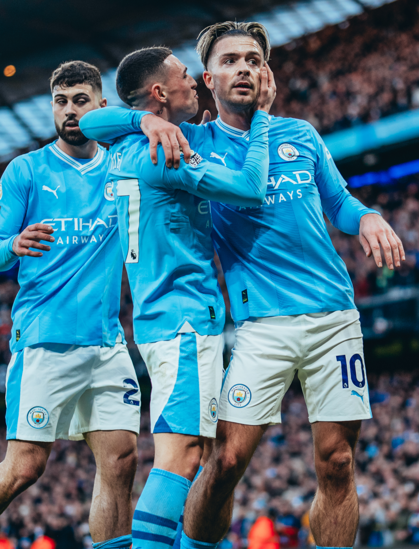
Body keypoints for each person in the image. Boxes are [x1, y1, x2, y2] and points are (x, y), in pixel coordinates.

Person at [80, 21, 404, 549]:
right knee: (225, 459)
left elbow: (339, 203)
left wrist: (366, 216)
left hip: (333, 317)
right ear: (208, 78)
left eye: (254, 59)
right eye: (231, 60)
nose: (244, 68)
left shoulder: (300, 134)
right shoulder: (192, 140)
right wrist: (142, 119)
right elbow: (93, 125)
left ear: (266, 72)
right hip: (259, 326)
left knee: (339, 462)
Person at [0, 61, 140, 549]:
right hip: (45, 341)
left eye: (81, 100)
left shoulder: (122, 165)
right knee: (24, 467)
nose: (70, 111)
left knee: (121, 460)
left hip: (107, 343)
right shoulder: (26, 170)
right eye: (61, 101)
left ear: (101, 107)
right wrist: (14, 244)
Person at [86, 46, 274, 549]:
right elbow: (252, 187)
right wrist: (262, 120)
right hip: (184, 320)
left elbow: (92, 123)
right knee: (183, 457)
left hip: (161, 318)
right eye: (183, 75)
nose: (193, 81)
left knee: (198, 451)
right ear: (158, 92)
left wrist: (140, 122)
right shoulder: (162, 153)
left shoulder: (125, 145)